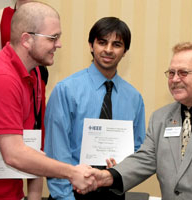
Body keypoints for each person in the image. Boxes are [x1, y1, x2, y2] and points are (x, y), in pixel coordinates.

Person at [0, 2, 97, 200]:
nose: (59, 44)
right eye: (53, 38)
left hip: (9, 192)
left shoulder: (32, 77)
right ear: (27, 40)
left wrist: (34, 195)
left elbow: (30, 145)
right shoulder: (1, 77)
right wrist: (72, 173)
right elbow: (15, 154)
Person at [86, 42, 192, 200]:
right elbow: (145, 159)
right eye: (171, 73)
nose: (174, 79)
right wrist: (108, 177)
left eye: (183, 73)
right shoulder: (161, 118)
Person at [44, 17, 146, 200]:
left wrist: (121, 168)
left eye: (116, 44)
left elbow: (138, 150)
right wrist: (65, 198)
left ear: (125, 51)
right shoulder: (66, 90)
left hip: (114, 192)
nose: (108, 50)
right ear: (91, 45)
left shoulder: (134, 98)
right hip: (71, 193)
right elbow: (56, 152)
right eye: (102, 42)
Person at [0, 0, 48, 151]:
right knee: (6, 128)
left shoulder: (43, 13)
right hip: (6, 79)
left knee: (33, 132)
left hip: (34, 79)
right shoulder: (2, 14)